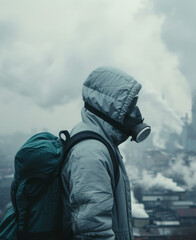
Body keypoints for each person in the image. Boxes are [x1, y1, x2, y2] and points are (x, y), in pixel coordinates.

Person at [61, 66, 151, 240]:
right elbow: (93, 233)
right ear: (109, 108)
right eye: (129, 106)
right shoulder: (91, 153)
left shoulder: (102, 144)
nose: (136, 112)